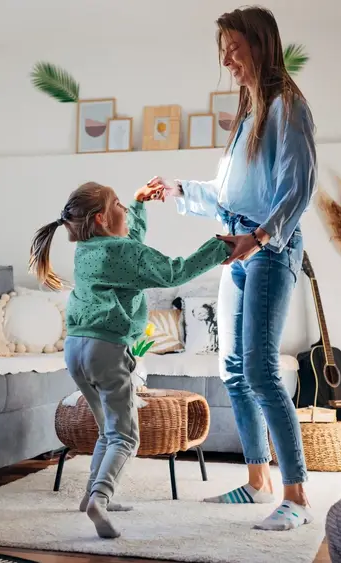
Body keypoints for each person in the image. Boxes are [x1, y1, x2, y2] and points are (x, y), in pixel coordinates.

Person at [147, 6, 317, 532]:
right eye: (223, 49)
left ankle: (297, 496)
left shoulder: (287, 105)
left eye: (234, 48)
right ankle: (256, 479)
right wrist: (179, 190)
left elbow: (299, 186)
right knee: (234, 371)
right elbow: (228, 196)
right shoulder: (248, 114)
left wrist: (261, 237)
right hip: (237, 248)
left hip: (266, 249)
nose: (226, 59)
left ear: (261, 46)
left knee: (262, 369)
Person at [29, 182, 231, 539]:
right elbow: (172, 272)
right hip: (106, 350)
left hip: (75, 348)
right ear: (103, 218)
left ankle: (93, 493)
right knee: (126, 437)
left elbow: (129, 246)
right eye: (120, 204)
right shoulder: (120, 252)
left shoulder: (89, 248)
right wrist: (221, 247)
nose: (125, 209)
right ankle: (100, 500)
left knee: (109, 429)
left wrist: (137, 204)